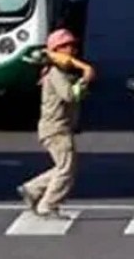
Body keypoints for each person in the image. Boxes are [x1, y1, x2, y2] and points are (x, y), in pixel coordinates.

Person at [17, 29, 94, 217]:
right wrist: (85, 80)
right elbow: (69, 95)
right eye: (66, 46)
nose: (72, 50)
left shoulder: (59, 72)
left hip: (57, 127)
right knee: (66, 169)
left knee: (65, 166)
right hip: (56, 128)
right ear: (56, 50)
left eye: (73, 46)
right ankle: (48, 205)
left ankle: (32, 189)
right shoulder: (55, 73)